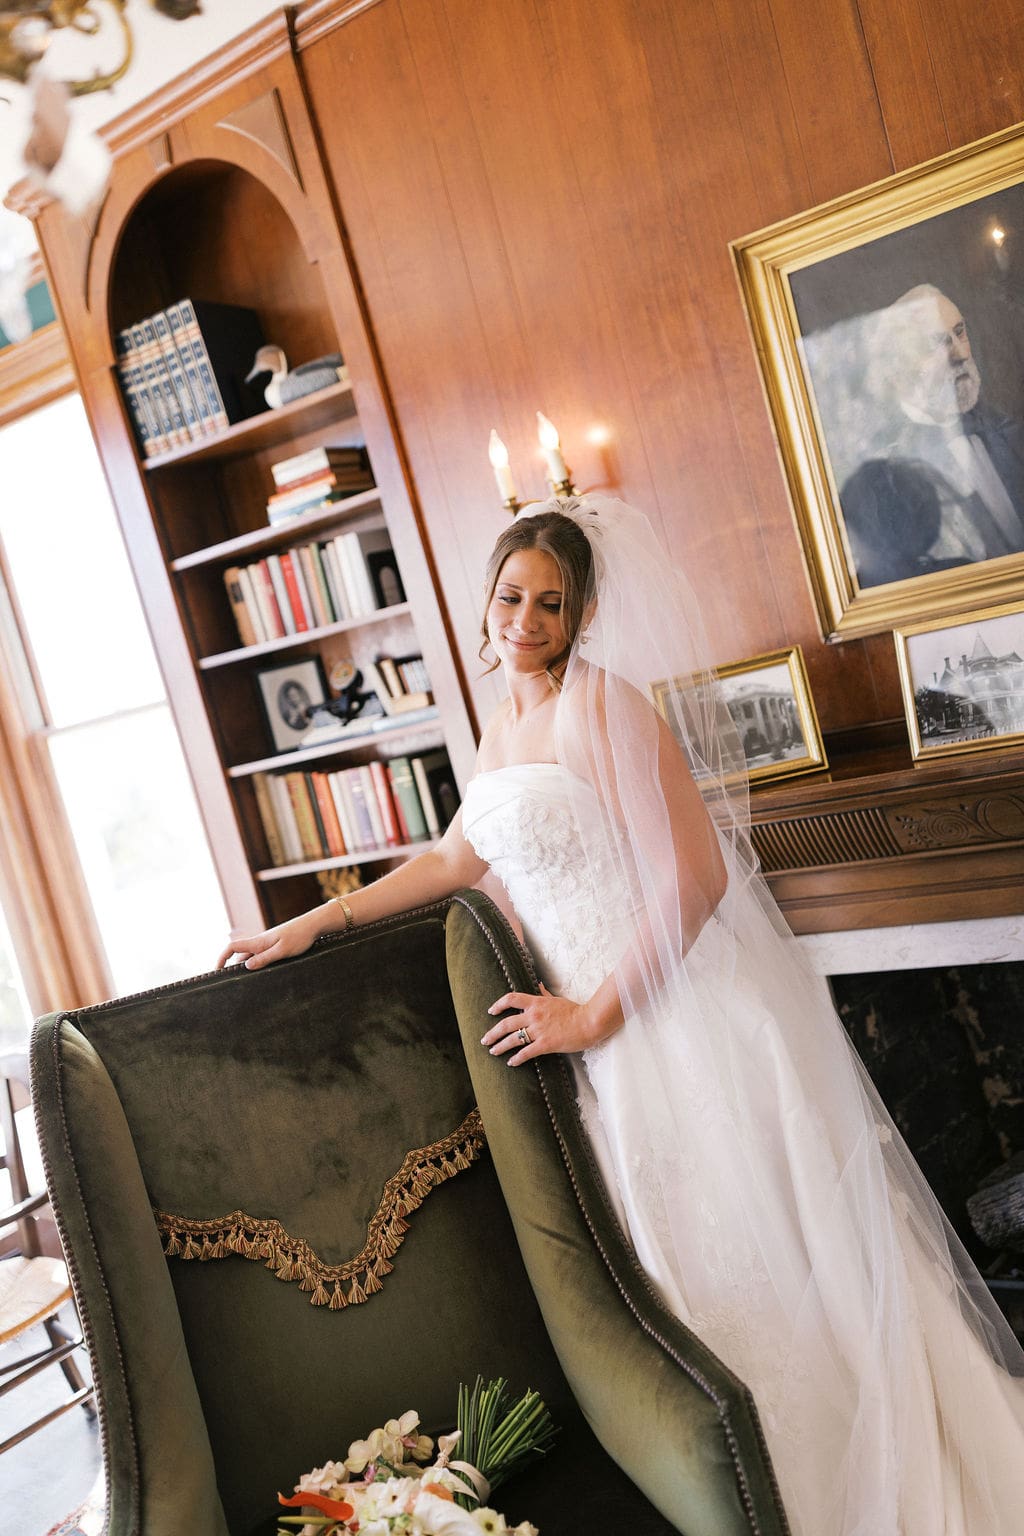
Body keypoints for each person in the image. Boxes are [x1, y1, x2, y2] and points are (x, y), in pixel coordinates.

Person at [220, 495, 1024, 1534]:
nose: (526, 620)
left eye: (551, 604)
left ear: (584, 612)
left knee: (746, 1277)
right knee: (684, 1290)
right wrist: (313, 923)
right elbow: (456, 857)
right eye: (511, 597)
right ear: (486, 599)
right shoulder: (502, 723)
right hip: (598, 1046)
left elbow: (694, 878)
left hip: (665, 1025)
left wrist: (595, 1016)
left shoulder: (604, 707)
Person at [842, 284, 1024, 586]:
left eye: (960, 332)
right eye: (937, 343)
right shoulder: (882, 472)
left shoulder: (1008, 432)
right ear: (897, 366)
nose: (961, 353)